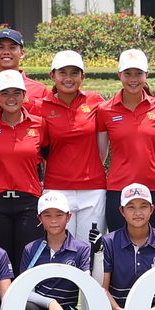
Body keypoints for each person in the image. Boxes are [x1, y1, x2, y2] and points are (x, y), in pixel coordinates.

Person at [99, 49, 155, 235]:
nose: (133, 79)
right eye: (128, 73)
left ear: (146, 74)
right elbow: (101, 155)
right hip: (118, 188)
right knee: (118, 246)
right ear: (119, 75)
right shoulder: (104, 110)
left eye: (138, 73)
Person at [18, 191, 94, 310]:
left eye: (59, 215)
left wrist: (98, 254)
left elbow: (88, 283)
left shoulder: (81, 248)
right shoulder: (31, 249)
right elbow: (24, 289)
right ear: (39, 218)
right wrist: (50, 302)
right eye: (47, 215)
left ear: (69, 217)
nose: (53, 220)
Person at [30, 51, 98, 239]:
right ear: (52, 75)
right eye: (63, 72)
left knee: (91, 248)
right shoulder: (39, 107)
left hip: (93, 188)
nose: (69, 78)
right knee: (60, 248)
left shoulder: (94, 100)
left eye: (74, 73)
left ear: (83, 76)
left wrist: (154, 100)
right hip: (56, 187)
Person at [0, 69, 47, 261]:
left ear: (24, 95)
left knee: (27, 260)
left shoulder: (39, 125)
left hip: (29, 201)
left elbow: (48, 158)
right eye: (5, 93)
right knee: (0, 260)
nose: (11, 98)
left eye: (16, 92)